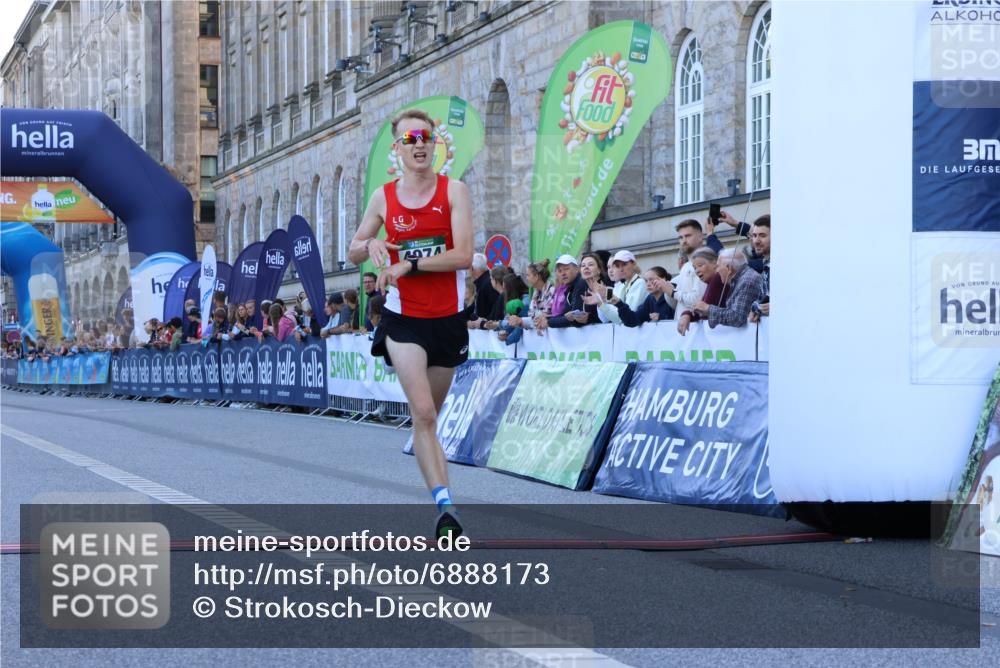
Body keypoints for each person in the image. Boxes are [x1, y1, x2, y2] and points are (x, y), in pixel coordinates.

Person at [347, 107, 473, 540]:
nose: (419, 144)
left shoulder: (454, 191)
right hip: (404, 321)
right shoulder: (385, 197)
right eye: (410, 139)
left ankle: (439, 493)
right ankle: (445, 507)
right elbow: (354, 250)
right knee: (421, 413)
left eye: (426, 137)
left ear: (434, 143)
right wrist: (373, 242)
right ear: (397, 148)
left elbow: (462, 256)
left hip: (449, 321)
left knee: (431, 418)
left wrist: (409, 265)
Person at [690, 248, 763, 328]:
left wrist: (708, 309)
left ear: (729, 269)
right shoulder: (740, 279)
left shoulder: (747, 280)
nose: (717, 271)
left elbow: (737, 318)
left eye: (718, 267)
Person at [587, 266, 674, 326]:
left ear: (664, 279)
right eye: (646, 280)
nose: (647, 284)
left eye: (651, 280)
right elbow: (633, 320)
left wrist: (662, 318)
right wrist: (618, 303)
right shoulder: (650, 299)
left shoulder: (672, 294)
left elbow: (680, 314)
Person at [676, 247, 732, 336]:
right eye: (694, 268)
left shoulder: (717, 279)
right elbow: (700, 309)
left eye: (700, 265)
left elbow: (702, 313)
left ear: (715, 263)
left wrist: (687, 314)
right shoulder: (711, 282)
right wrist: (687, 314)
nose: (697, 271)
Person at [535, 254, 589, 331]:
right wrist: (547, 319)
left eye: (566, 269)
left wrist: (549, 322)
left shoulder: (580, 284)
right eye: (560, 271)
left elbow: (575, 318)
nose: (563, 273)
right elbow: (566, 314)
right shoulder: (570, 287)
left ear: (577, 269)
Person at [597, 250, 650, 324]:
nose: (621, 269)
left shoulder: (639, 283)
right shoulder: (622, 286)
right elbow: (607, 319)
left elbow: (625, 317)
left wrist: (602, 304)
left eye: (624, 264)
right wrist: (601, 302)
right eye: (618, 266)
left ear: (633, 264)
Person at [507, 259, 554, 335]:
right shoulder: (536, 293)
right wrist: (519, 320)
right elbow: (533, 318)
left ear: (537, 276)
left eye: (528, 275)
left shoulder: (552, 291)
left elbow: (547, 317)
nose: (526, 278)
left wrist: (521, 320)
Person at [470, 252, 497, 322]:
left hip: (489, 329)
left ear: (472, 268)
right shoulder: (484, 282)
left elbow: (496, 308)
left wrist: (485, 322)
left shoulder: (487, 283)